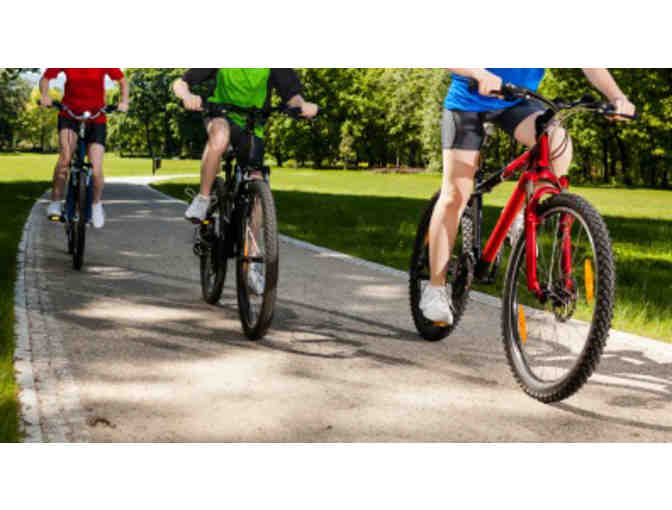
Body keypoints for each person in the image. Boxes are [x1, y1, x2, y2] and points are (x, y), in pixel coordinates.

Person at [419, 68, 636, 325]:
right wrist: (478, 73)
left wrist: (617, 97)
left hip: (518, 102)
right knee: (456, 193)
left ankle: (520, 214)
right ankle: (434, 288)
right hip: (470, 100)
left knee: (556, 141)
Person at [172, 68, 318, 223]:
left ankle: (252, 244)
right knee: (220, 137)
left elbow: (292, 96)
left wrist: (303, 105)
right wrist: (187, 96)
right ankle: (203, 199)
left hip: (251, 123)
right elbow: (180, 83)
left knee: (257, 180)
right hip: (220, 114)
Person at [40, 68, 129, 228]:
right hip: (70, 116)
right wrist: (45, 95)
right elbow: (46, 78)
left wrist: (124, 101)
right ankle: (55, 202)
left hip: (96, 118)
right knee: (65, 158)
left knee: (96, 168)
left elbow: (122, 81)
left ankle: (95, 205)